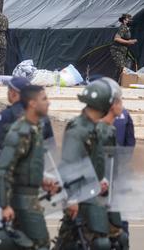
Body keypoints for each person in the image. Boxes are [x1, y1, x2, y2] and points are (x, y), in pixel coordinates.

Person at [0, 85, 59, 249]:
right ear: (32, 104)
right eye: (44, 99)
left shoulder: (34, 129)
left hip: (30, 197)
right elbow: (3, 171)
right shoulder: (20, 132)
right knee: (41, 244)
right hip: (23, 201)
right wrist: (5, 205)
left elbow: (24, 165)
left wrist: (41, 180)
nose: (48, 103)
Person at [54, 79, 118, 250]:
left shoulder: (93, 127)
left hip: (91, 194)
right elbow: (69, 164)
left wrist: (101, 179)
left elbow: (92, 160)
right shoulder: (78, 129)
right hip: (78, 196)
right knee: (76, 243)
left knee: (97, 242)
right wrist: (72, 198)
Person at [96, 78, 130, 249]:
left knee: (120, 233)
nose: (122, 105)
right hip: (97, 190)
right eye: (119, 101)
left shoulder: (107, 128)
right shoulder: (93, 129)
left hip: (111, 184)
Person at [0, 77, 54, 149]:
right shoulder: (42, 116)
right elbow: (51, 146)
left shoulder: (6, 115)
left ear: (13, 93)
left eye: (9, 90)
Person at [110, 14, 137, 81]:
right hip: (117, 50)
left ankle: (116, 82)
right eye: (129, 19)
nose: (130, 21)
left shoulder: (127, 28)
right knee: (122, 67)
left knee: (120, 67)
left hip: (122, 51)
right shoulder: (122, 27)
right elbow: (116, 38)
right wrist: (128, 42)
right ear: (124, 20)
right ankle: (116, 82)